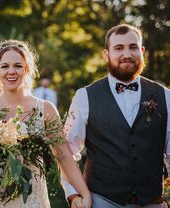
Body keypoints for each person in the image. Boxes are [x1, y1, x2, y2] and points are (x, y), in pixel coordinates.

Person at [0, 39, 91, 208]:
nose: (12, 71)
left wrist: (84, 193)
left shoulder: (46, 109)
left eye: (18, 65)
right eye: (5, 66)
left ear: (27, 69)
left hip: (33, 199)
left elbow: (64, 156)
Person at [62, 23, 170, 208]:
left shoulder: (165, 96)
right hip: (101, 201)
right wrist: (74, 195)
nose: (126, 54)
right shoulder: (85, 96)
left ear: (142, 51)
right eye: (118, 48)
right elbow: (67, 152)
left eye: (133, 47)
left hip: (152, 202)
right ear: (106, 54)